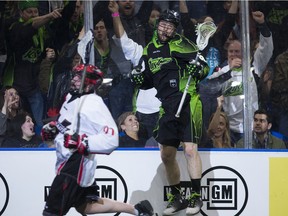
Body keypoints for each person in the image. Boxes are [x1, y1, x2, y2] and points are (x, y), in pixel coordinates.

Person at [109, 1, 209, 214]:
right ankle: (176, 197)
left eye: (170, 26)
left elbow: (204, 68)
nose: (165, 29)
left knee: (190, 150)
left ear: (175, 29)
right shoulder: (150, 49)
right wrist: (138, 78)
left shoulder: (183, 44)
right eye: (163, 25)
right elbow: (148, 81)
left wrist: (198, 68)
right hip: (166, 105)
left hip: (188, 100)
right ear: (157, 25)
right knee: (166, 155)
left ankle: (196, 197)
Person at [41, 63, 153, 216]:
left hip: (75, 165)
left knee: (51, 213)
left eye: (78, 77)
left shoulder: (94, 104)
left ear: (88, 82)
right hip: (67, 161)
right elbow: (68, 127)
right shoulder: (70, 97)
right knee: (85, 206)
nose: (73, 79)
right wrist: (53, 130)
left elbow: (111, 140)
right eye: (74, 75)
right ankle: (137, 210)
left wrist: (83, 142)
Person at [207, 10, 273, 144]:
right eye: (231, 51)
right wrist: (229, 70)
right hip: (229, 129)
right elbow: (209, 88)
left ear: (245, 53)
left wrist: (262, 24)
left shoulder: (254, 67)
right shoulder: (222, 71)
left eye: (238, 52)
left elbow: (266, 48)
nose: (234, 55)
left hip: (251, 127)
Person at [1, 0, 62, 132]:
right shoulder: (14, 27)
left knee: (39, 123)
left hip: (34, 85)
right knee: (11, 121)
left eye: (36, 11)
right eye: (29, 12)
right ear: (21, 13)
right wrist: (50, 16)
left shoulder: (43, 30)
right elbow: (30, 26)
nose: (34, 15)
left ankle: (41, 146)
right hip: (16, 84)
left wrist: (50, 54)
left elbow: (51, 47)